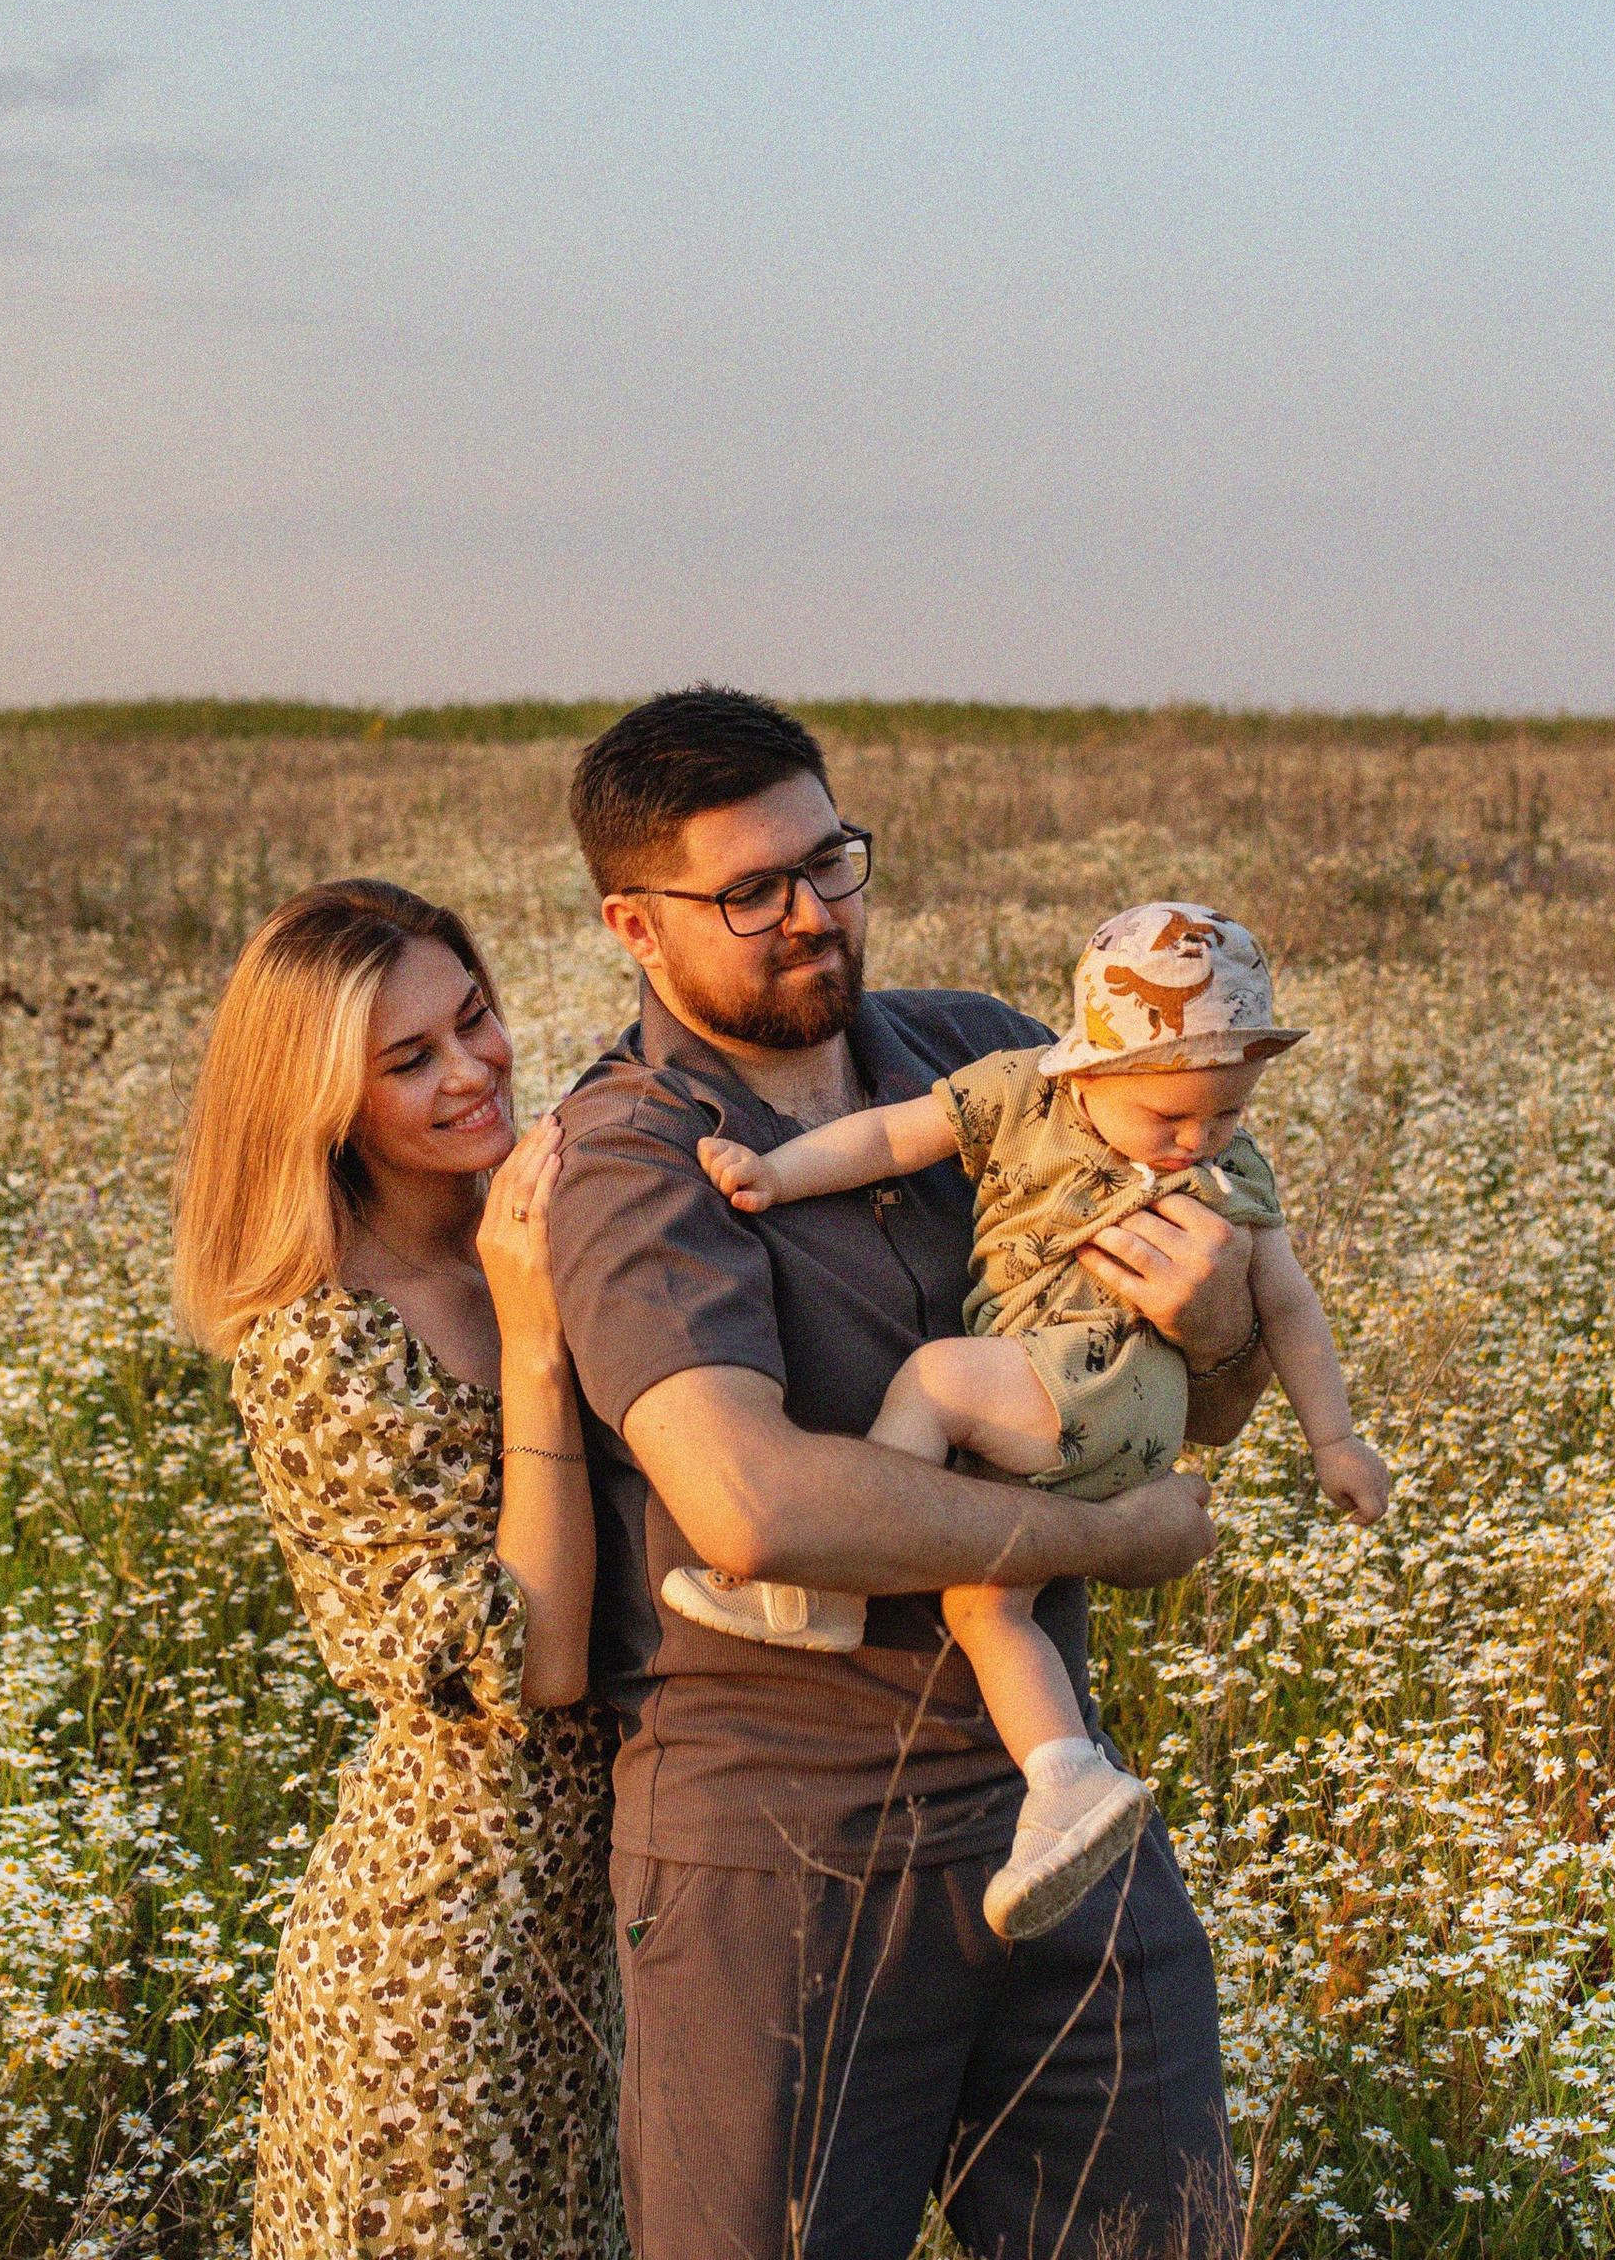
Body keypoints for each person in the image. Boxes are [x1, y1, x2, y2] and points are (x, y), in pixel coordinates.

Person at [544, 689, 1271, 2260]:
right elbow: (753, 1504)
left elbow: (1176, 1416)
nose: (813, 915)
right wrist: (1120, 1543)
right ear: (635, 924)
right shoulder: (631, 1157)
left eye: (834, 862)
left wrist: (1221, 1331)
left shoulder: (985, 1056)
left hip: (1057, 1813)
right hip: (786, 1860)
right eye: (751, 892)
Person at [679, 899, 1394, 1941]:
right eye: (1171, 1119)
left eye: (1227, 1115)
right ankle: (1066, 1780)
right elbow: (890, 1135)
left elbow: (1285, 1299)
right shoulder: (1021, 1091)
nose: (1196, 1144)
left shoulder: (1217, 1169)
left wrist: (1334, 1437)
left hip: (1096, 1388)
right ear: (1090, 1071)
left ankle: (827, 1590)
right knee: (986, 1603)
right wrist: (776, 1174)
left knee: (932, 1379)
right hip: (1093, 1419)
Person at [171, 880, 622, 2260]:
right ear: (326, 1106)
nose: (474, 1069)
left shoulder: (547, 1213)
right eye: (409, 1061)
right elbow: (532, 1663)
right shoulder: (324, 1343)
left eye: (473, 1019)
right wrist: (537, 1345)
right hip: (449, 1954)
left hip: (614, 1913)